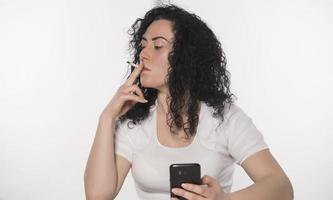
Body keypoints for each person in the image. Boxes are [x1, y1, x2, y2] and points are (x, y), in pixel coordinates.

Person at [84, 4, 293, 200]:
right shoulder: (134, 124)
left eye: (157, 46)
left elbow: (281, 187)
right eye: (142, 45)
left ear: (186, 56)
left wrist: (225, 199)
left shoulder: (225, 118)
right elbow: (98, 195)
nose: (143, 54)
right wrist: (107, 117)